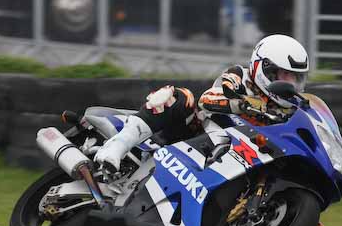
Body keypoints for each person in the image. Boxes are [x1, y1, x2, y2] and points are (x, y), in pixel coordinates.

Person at [94, 34, 309, 171]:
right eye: (285, 76)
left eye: (296, 78)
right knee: (181, 97)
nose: (290, 84)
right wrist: (242, 104)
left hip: (238, 158)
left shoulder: (289, 109)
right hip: (194, 135)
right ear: (265, 69)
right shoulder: (239, 76)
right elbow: (207, 99)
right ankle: (117, 145)